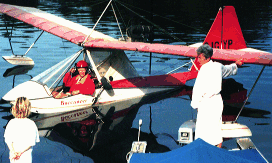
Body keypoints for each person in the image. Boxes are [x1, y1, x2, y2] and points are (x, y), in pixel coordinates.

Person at [191, 44, 243, 148]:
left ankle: (204, 151)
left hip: (206, 103)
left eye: (200, 57)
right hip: (217, 102)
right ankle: (217, 151)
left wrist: (195, 105)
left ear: (207, 57)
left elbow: (197, 90)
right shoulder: (218, 66)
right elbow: (228, 69)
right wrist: (236, 65)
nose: (198, 59)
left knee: (202, 129)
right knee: (216, 128)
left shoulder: (203, 70)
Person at [4, 97, 40, 163]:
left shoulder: (11, 122)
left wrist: (13, 151)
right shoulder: (31, 124)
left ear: (14, 108)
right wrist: (20, 152)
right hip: (25, 157)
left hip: (13, 156)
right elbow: (31, 142)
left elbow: (8, 140)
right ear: (28, 109)